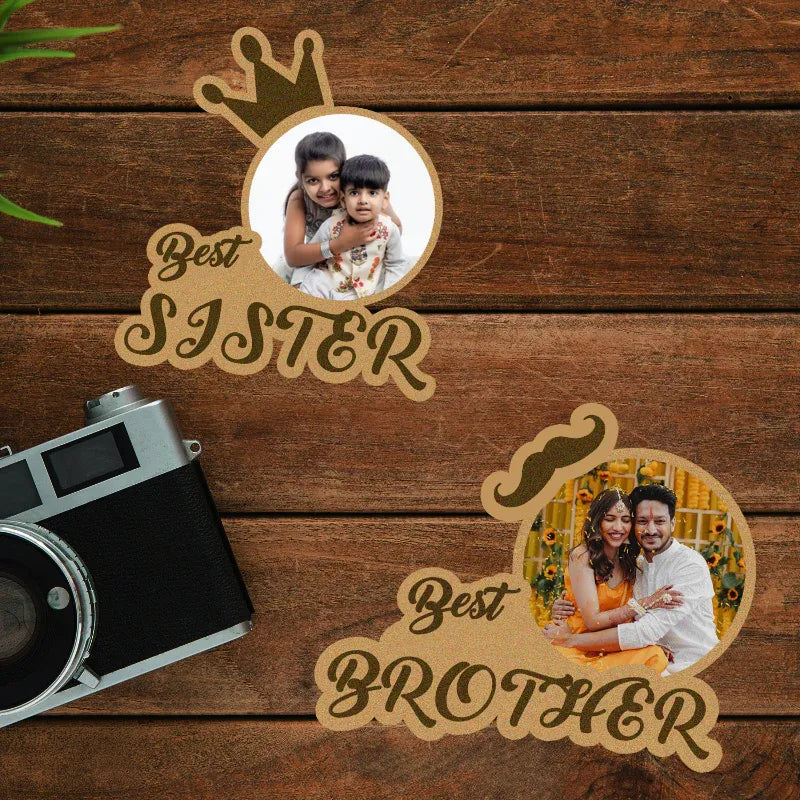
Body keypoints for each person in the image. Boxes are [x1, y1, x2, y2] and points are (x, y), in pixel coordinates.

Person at [546, 483, 719, 674]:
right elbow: (611, 614)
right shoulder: (638, 564)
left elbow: (643, 631)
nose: (651, 530)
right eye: (643, 521)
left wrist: (571, 640)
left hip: (691, 664)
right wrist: (568, 602)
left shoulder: (689, 565)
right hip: (644, 658)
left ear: (673, 523)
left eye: (660, 521)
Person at [278, 132, 401, 289]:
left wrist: (375, 222)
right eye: (313, 180)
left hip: (364, 259)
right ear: (300, 178)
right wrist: (341, 243)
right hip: (318, 260)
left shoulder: (362, 194)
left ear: (344, 170)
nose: (325, 188)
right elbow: (293, 257)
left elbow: (397, 227)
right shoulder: (299, 199)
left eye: (333, 176)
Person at [300, 155, 406, 300]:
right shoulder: (330, 226)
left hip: (364, 290)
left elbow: (396, 264)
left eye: (372, 193)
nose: (363, 200)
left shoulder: (389, 229)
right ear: (343, 200)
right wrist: (298, 283)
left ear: (385, 200)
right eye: (354, 193)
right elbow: (309, 256)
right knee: (313, 283)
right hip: (328, 282)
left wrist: (389, 295)